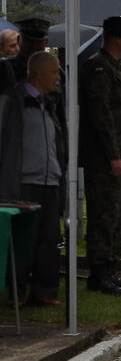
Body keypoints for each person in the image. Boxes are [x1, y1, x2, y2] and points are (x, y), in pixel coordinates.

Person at [81, 15, 121, 295]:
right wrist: (113, 155)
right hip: (106, 157)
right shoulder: (98, 68)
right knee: (104, 214)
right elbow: (101, 116)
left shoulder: (119, 68)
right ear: (117, 37)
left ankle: (111, 269)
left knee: (119, 216)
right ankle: (99, 270)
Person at [0, 51, 65, 305]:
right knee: (21, 240)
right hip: (24, 180)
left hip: (50, 180)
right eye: (53, 72)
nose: (57, 78)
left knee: (49, 239)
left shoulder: (50, 102)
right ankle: (15, 292)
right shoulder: (14, 100)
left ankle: (44, 291)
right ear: (37, 73)